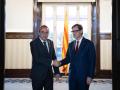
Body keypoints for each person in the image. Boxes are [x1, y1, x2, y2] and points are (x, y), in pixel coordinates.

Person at [53, 24, 96, 90]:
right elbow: (68, 59)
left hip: (83, 76)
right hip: (72, 76)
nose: (74, 33)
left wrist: (90, 76)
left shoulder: (89, 44)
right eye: (73, 31)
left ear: (81, 31)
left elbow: (92, 61)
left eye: (76, 31)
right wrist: (60, 63)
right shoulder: (71, 44)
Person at [30, 25, 60, 90]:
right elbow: (37, 58)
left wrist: (57, 72)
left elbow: (53, 57)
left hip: (49, 75)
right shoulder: (34, 43)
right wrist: (52, 62)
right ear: (39, 33)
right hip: (38, 75)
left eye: (46, 32)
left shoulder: (50, 42)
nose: (45, 34)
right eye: (42, 32)